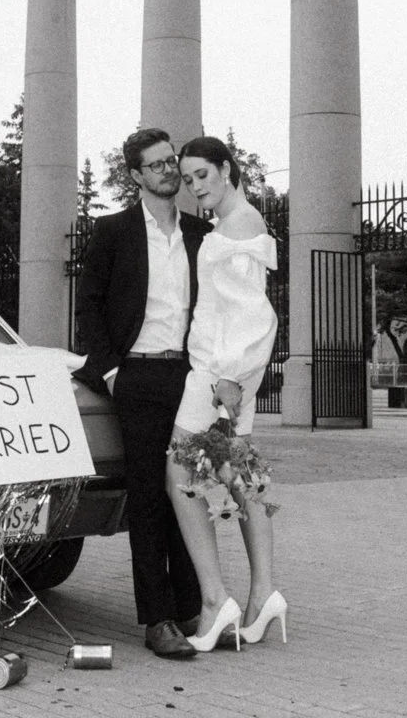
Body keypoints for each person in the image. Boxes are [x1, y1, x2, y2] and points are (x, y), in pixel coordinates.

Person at [74, 128, 210, 659]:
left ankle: (194, 606)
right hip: (137, 378)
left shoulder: (201, 234)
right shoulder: (113, 232)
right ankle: (158, 619)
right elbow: (89, 306)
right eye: (155, 165)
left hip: (190, 377)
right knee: (151, 497)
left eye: (171, 161)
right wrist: (110, 374)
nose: (169, 171)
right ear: (135, 176)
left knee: (190, 493)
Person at [167, 134, 286, 652]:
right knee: (238, 473)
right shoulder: (238, 223)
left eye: (203, 176)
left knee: (179, 475)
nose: (195, 188)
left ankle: (216, 600)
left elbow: (254, 315)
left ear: (227, 168)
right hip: (225, 371)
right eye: (189, 180)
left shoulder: (237, 227)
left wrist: (229, 378)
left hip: (217, 374)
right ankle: (263, 596)